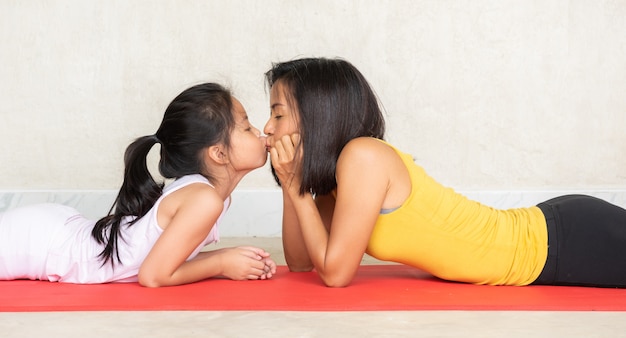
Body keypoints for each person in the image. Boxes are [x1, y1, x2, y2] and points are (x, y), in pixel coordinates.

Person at [263, 57, 626, 288]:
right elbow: (300, 262)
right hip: (550, 244)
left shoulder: (363, 157)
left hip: (560, 243)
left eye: (278, 114)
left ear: (318, 114)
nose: (267, 126)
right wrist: (290, 185)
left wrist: (297, 188)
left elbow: (335, 274)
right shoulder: (337, 180)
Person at [0, 83, 276, 286]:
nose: (260, 131)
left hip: (55, 232)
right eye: (246, 126)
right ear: (219, 153)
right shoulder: (205, 199)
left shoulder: (210, 195)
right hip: (43, 245)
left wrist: (226, 257)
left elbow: (164, 258)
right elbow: (153, 275)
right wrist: (221, 262)